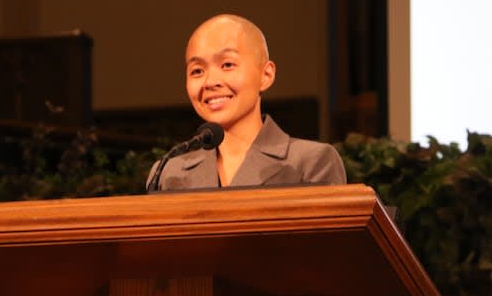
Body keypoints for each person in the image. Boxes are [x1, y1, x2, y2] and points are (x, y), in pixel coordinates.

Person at [148, 14, 346, 191]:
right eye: (197, 71)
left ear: (266, 75)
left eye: (227, 65)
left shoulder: (311, 163)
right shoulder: (169, 173)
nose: (210, 82)